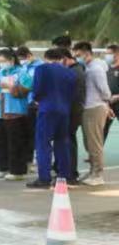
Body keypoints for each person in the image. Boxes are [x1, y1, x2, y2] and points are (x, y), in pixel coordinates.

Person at [27, 48, 77, 189]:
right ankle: (63, 176)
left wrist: (37, 100)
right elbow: (72, 93)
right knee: (62, 143)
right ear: (61, 58)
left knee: (43, 143)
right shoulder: (70, 73)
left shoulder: (41, 69)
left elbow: (37, 90)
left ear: (46, 58)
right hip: (64, 110)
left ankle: (44, 178)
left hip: (47, 109)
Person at [0, 49, 30, 180]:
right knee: (1, 140)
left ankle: (17, 171)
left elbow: (27, 88)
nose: (2, 64)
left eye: (4, 61)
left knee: (15, 141)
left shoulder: (22, 73)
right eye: (0, 61)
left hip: (15, 111)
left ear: (12, 60)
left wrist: (11, 87)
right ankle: (3, 167)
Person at [75, 41, 110, 186]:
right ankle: (92, 171)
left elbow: (105, 91)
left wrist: (106, 103)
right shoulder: (87, 67)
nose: (77, 57)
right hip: (88, 108)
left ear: (87, 53)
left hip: (95, 108)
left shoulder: (96, 69)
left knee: (94, 143)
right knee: (88, 142)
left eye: (79, 55)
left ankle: (98, 174)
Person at [58, 44, 86, 186]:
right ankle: (69, 172)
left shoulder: (73, 72)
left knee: (68, 141)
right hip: (74, 109)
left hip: (71, 111)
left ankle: (70, 174)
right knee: (69, 140)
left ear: (64, 59)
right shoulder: (77, 70)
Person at [14, 46, 43, 170]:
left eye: (23, 58)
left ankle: (38, 159)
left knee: (36, 132)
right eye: (20, 59)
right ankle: (28, 159)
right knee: (26, 133)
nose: (22, 61)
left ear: (30, 55)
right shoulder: (22, 68)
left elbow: (34, 84)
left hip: (35, 103)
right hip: (24, 104)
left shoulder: (40, 67)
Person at [106, 44, 119, 143]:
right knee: (102, 130)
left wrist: (117, 97)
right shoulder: (106, 69)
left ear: (117, 54)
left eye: (109, 54)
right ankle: (97, 151)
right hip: (108, 104)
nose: (107, 56)